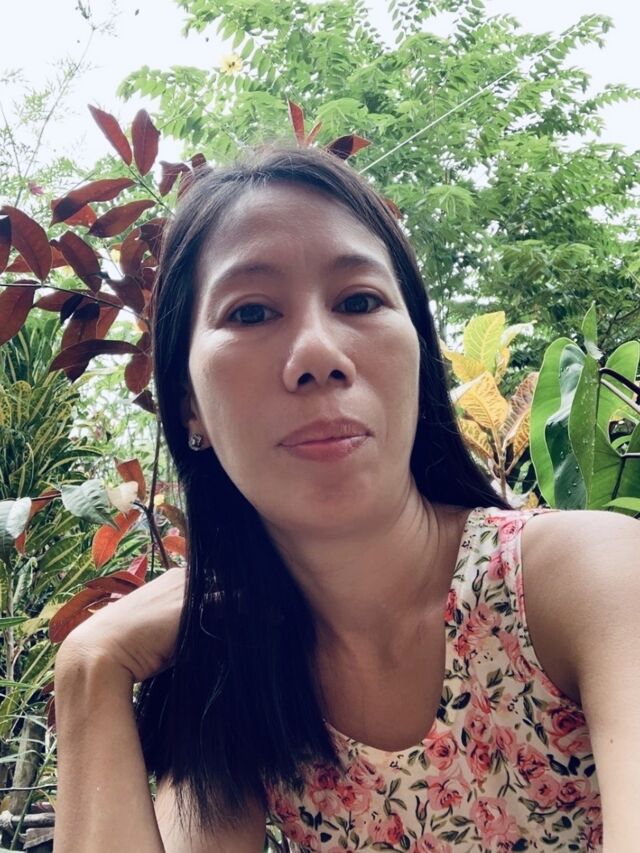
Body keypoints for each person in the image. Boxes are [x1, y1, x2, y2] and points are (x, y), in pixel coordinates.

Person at [52, 143, 639, 853]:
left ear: (418, 355)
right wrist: (89, 669)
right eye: (251, 312)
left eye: (359, 300)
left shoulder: (586, 579)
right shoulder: (238, 684)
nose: (318, 354)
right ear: (189, 407)